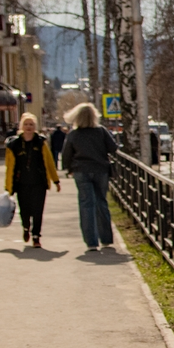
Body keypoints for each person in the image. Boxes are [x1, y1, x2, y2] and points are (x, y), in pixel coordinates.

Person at [62, 102, 119, 251]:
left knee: (86, 204)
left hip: (81, 170)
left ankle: (91, 242)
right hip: (101, 170)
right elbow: (113, 148)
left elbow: (67, 153)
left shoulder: (74, 134)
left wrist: (69, 168)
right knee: (101, 202)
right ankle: (106, 239)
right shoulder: (101, 131)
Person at [4, 113, 60, 248]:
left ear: (35, 127)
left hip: (39, 182)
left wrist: (56, 180)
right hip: (21, 183)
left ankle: (36, 236)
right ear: (21, 126)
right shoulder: (14, 144)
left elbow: (49, 162)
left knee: (38, 210)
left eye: (31, 124)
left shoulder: (40, 142)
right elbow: (9, 167)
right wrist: (8, 186)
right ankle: (26, 227)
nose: (28, 127)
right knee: (24, 209)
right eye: (26, 124)